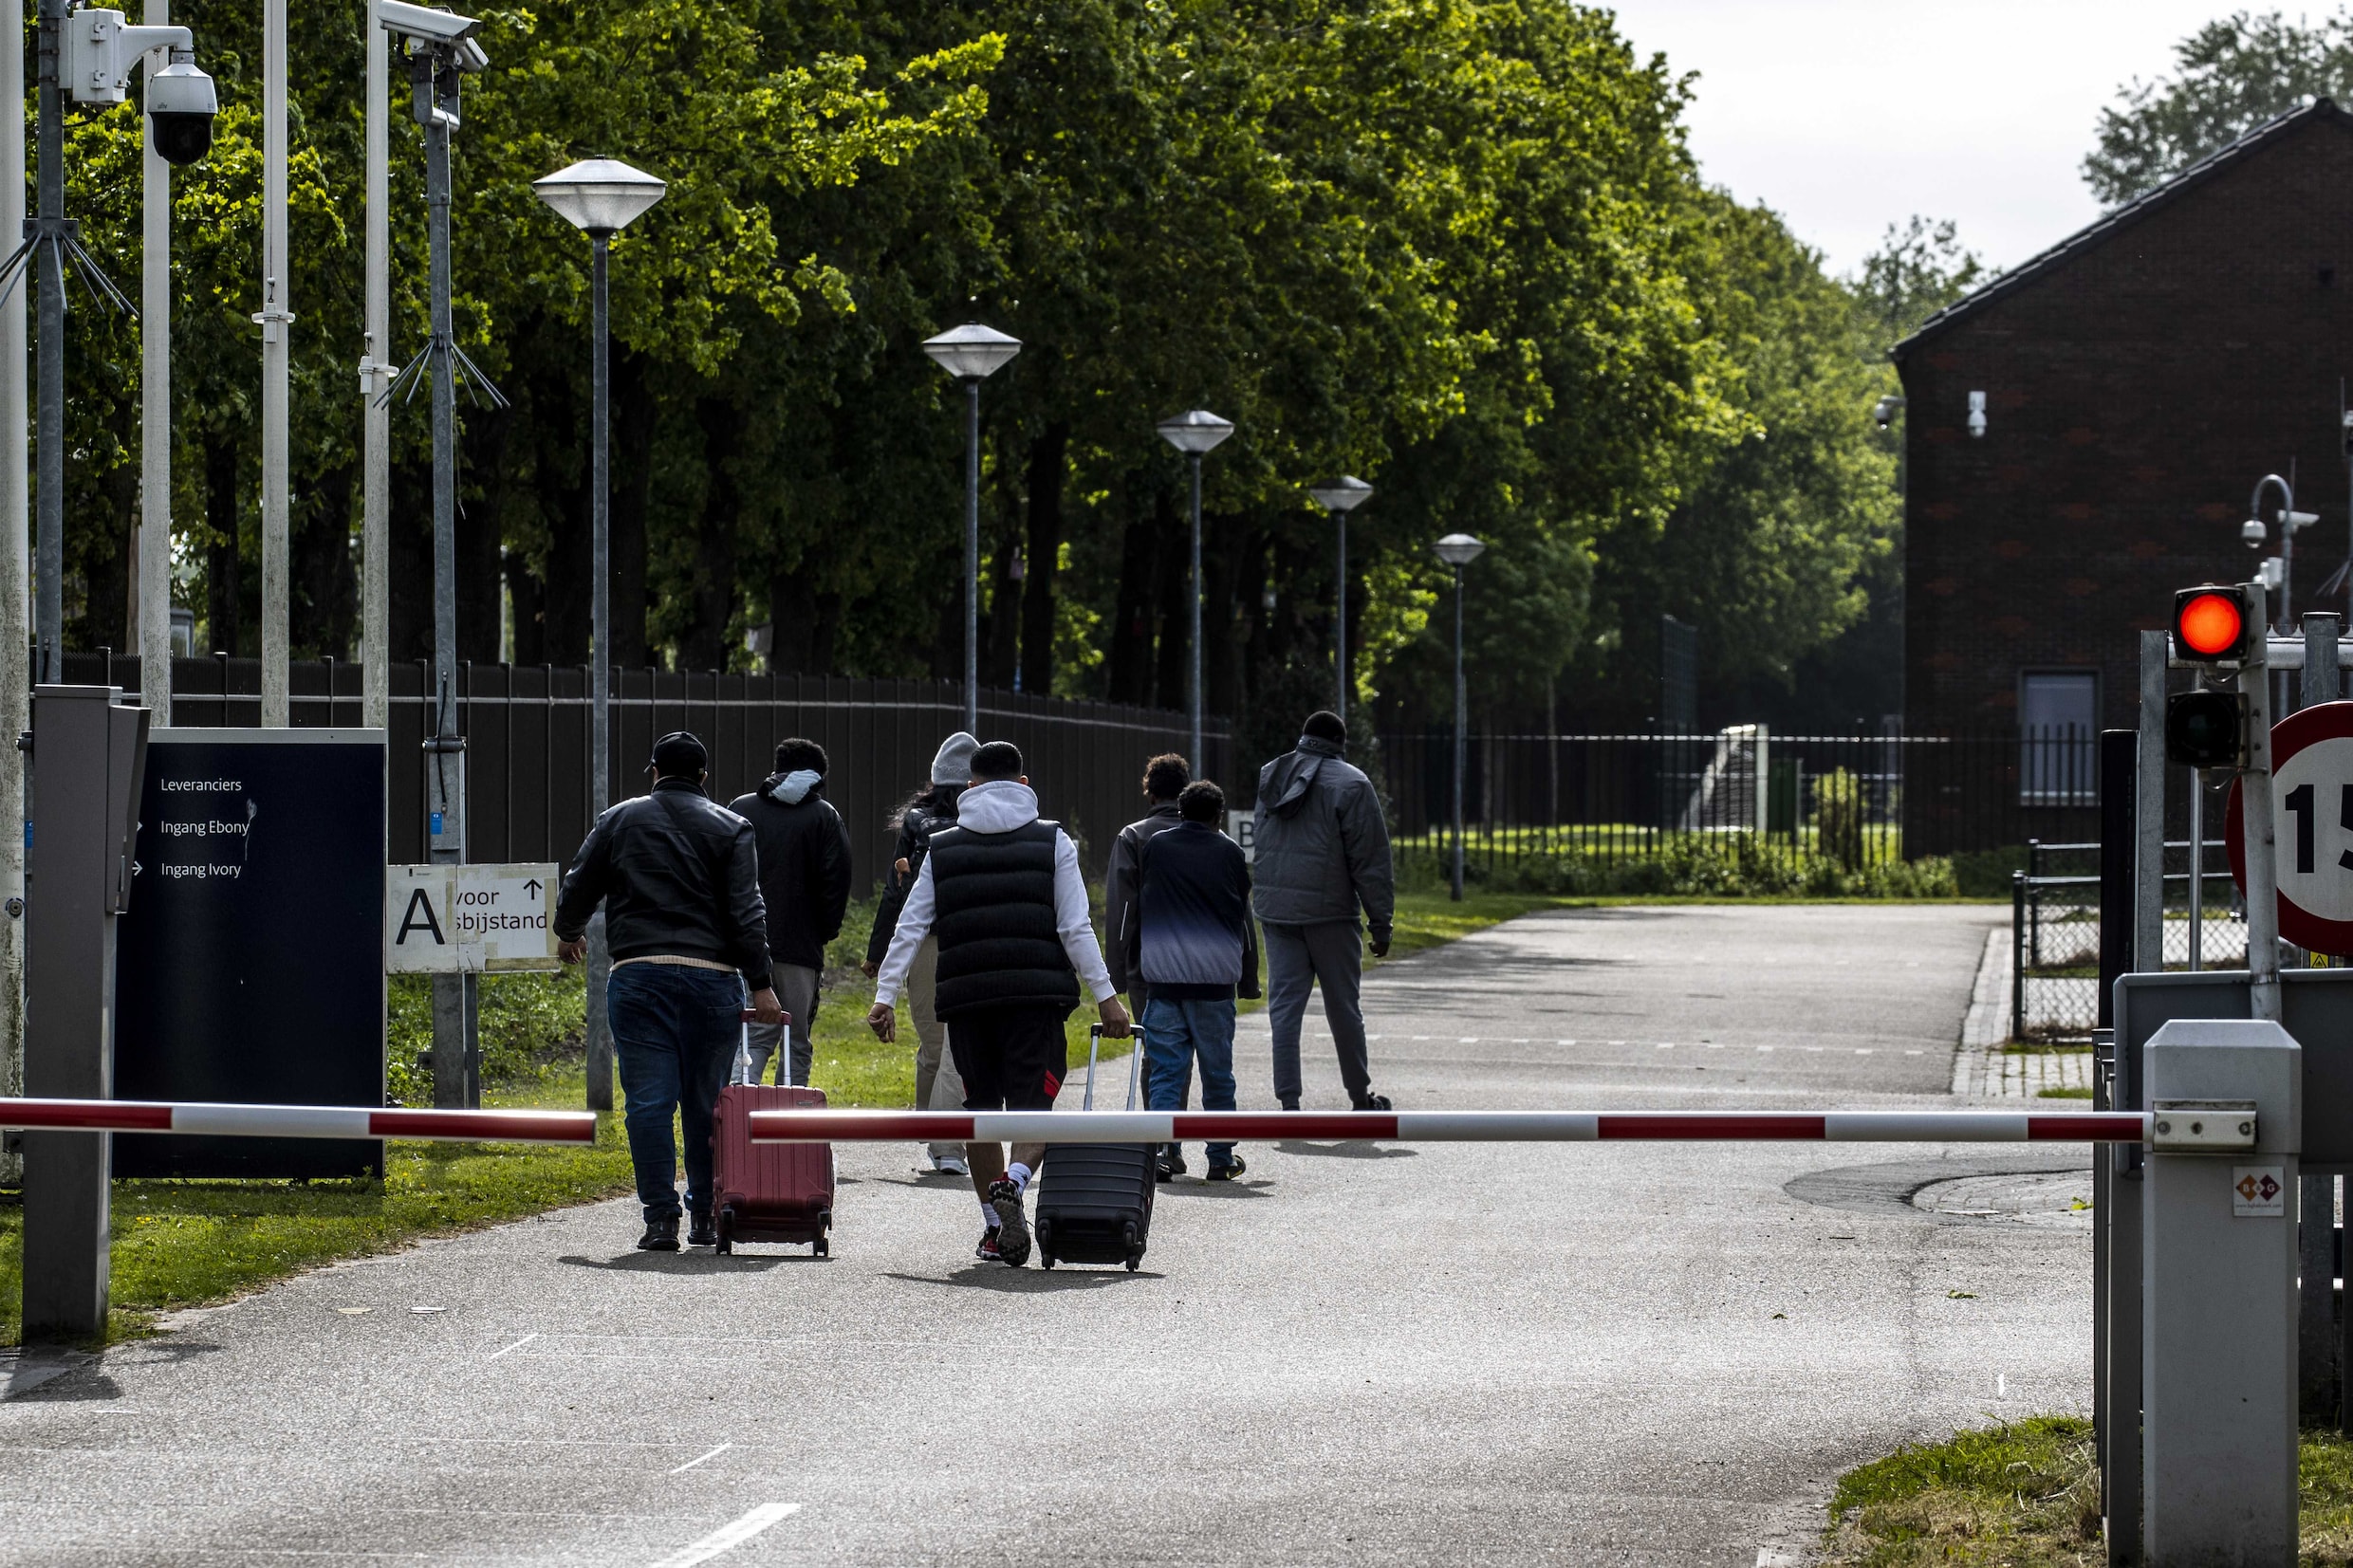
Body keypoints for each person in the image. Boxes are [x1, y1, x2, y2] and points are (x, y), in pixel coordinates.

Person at [866, 739, 1132, 1267]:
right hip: (1036, 999)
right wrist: (1107, 997)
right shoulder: (1054, 840)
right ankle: (1016, 1179)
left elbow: (910, 926)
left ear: (971, 786)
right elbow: (1074, 927)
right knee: (1036, 1110)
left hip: (967, 1001)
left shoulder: (941, 847)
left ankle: (994, 1226)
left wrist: (885, 996)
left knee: (980, 1113)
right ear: (1023, 784)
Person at [554, 731, 783, 1252]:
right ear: (703, 776)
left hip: (640, 976)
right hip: (713, 979)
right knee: (706, 1104)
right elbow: (747, 911)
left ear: (654, 771)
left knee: (649, 1103)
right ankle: (704, 1213)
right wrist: (761, 983)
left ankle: (660, 1219)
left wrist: (569, 931)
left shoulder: (619, 819)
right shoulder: (733, 827)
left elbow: (580, 882)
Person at [1252, 710, 1396, 1112]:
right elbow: (1371, 860)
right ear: (1340, 744)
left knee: (1284, 1011)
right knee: (1344, 1008)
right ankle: (1359, 1097)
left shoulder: (1271, 775)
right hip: (1331, 915)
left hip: (1277, 912)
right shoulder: (1353, 783)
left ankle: (1289, 1103)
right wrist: (1381, 922)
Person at [1122, 779, 1259, 1180]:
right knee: (1218, 1073)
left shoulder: (1157, 847)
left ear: (1180, 813)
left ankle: (1166, 1152)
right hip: (1214, 984)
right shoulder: (1230, 852)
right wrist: (1249, 976)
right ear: (1219, 816)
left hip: (1164, 981)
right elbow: (1242, 913)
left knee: (1167, 1072)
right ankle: (1220, 1157)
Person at [863, 732, 977, 1175]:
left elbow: (895, 894)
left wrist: (878, 953)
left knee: (935, 1045)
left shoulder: (916, 822)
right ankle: (943, 1140)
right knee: (952, 1049)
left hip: (923, 944)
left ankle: (936, 1134)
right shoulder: (985, 820)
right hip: (970, 941)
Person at [729, 737, 853, 1089]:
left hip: (744, 946)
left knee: (751, 1036)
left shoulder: (740, 809)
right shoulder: (825, 816)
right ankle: (794, 1114)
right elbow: (837, 882)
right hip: (801, 948)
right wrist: (824, 931)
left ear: (777, 768)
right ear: (819, 776)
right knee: (796, 1039)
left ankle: (738, 1107)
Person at [1102, 751, 1193, 1176]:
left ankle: (1159, 1145)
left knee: (1157, 1051)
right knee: (1190, 1053)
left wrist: (1116, 973)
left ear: (1150, 792)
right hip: (1201, 961)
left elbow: (1122, 910)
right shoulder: (1207, 836)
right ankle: (1183, 1142)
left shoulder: (1133, 837)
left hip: (1147, 962)